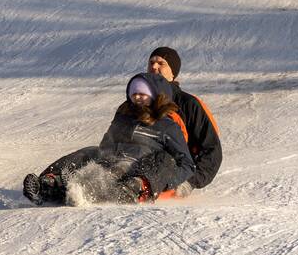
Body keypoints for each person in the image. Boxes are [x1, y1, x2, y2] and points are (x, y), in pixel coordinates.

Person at [23, 72, 195, 205]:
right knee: (90, 151)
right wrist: (101, 156)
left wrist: (165, 182)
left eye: (142, 94)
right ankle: (50, 183)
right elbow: (106, 143)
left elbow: (186, 164)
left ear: (157, 95)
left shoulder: (167, 126)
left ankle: (132, 190)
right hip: (110, 163)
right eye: (134, 93)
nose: (137, 97)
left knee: (166, 160)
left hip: (138, 171)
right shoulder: (123, 117)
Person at [146, 46, 221, 194]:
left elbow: (212, 150)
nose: (154, 66)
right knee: (90, 154)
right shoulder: (139, 101)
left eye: (161, 63)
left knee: (162, 160)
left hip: (170, 172)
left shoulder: (189, 104)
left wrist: (190, 181)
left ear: (173, 72)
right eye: (151, 62)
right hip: (137, 161)